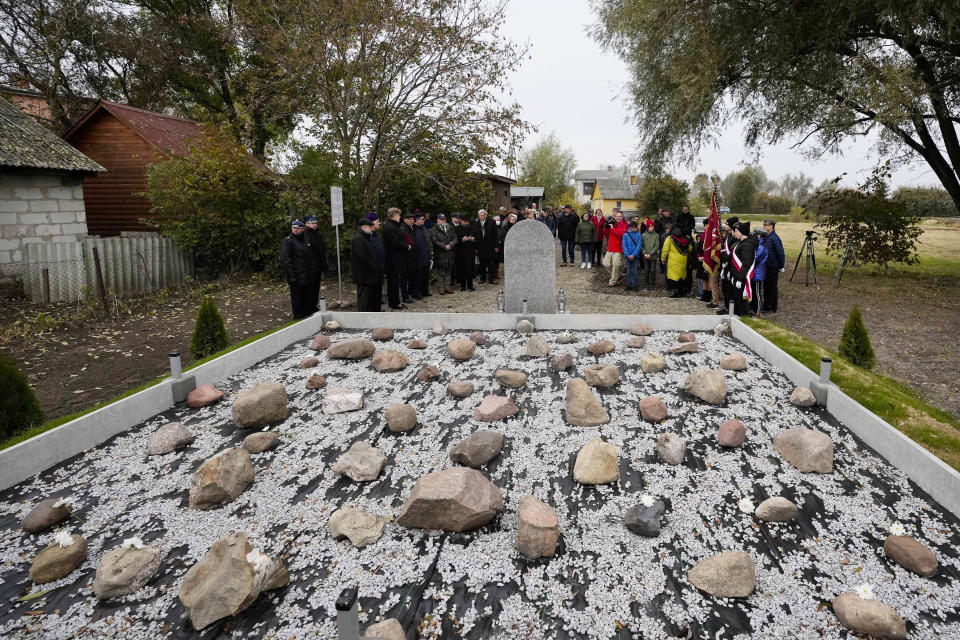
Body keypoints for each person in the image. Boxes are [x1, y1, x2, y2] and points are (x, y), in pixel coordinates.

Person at [279, 220, 319, 319]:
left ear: (302, 229)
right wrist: (291, 276)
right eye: (294, 228)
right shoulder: (288, 241)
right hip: (296, 275)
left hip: (307, 275)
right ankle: (298, 316)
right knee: (297, 298)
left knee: (307, 296)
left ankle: (307, 313)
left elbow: (310, 257)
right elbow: (286, 260)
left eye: (298, 228)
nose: (296, 230)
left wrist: (313, 272)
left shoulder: (306, 240)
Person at [351, 217, 384, 311]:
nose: (371, 229)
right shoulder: (358, 238)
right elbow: (362, 257)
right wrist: (374, 266)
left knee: (371, 296)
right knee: (364, 297)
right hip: (363, 274)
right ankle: (363, 316)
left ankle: (372, 313)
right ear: (364, 227)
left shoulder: (366, 237)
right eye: (370, 227)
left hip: (370, 274)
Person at [381, 207, 409, 309]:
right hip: (392, 260)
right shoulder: (389, 227)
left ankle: (396, 301)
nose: (400, 217)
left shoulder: (393, 226)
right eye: (398, 215)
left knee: (395, 282)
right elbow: (395, 242)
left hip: (396, 258)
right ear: (394, 215)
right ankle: (394, 303)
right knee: (393, 282)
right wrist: (406, 246)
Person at [727, 221, 756, 316]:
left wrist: (739, 278)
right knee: (736, 299)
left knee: (741, 301)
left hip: (741, 277)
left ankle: (743, 318)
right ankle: (737, 316)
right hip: (736, 275)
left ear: (742, 232)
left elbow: (746, 263)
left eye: (736, 231)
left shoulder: (747, 245)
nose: (734, 233)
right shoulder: (740, 242)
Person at [302, 216, 329, 313]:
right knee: (310, 289)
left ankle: (313, 306)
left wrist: (324, 265)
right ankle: (308, 308)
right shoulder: (305, 234)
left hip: (318, 266)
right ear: (307, 224)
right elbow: (308, 252)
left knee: (316, 288)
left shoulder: (318, 234)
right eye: (312, 223)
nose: (315, 224)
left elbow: (322, 250)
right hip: (310, 268)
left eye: (315, 223)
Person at [661, 225, 693, 298]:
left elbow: (665, 250)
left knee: (673, 276)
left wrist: (663, 259)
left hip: (673, 260)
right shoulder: (684, 239)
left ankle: (675, 292)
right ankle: (681, 291)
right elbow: (690, 248)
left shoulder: (669, 238)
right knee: (682, 275)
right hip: (683, 260)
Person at [430, 213, 457, 294]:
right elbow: (434, 240)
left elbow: (455, 238)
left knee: (448, 270)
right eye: (441, 219)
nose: (443, 220)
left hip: (450, 253)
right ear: (437, 220)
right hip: (440, 253)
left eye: (444, 219)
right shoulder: (434, 229)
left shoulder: (450, 228)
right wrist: (444, 246)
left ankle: (447, 287)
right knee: (439, 272)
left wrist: (451, 245)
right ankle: (441, 288)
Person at [762, 219, 785, 314]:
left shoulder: (774, 238)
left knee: (772, 287)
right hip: (766, 266)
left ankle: (772, 307)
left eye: (766, 225)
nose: (764, 226)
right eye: (763, 224)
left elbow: (780, 253)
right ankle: (766, 306)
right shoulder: (766, 237)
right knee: (766, 287)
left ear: (771, 226)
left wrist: (781, 265)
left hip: (773, 266)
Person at [473, 208, 498, 284]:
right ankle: (482, 278)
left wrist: (496, 246)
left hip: (490, 246)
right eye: (479, 216)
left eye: (481, 215)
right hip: (481, 246)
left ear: (485, 215)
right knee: (482, 264)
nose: (480, 217)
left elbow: (496, 235)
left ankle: (492, 279)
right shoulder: (476, 223)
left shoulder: (492, 222)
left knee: (491, 264)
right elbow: (475, 234)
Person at [603, 209, 628, 287]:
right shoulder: (612, 223)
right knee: (605, 263)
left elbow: (621, 234)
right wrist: (606, 226)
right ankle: (619, 276)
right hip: (610, 247)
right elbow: (605, 233)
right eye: (617, 216)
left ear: (622, 216)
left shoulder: (625, 224)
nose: (618, 218)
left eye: (620, 216)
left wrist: (612, 228)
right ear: (615, 216)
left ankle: (613, 281)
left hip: (619, 248)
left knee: (616, 265)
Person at [400, 211, 419, 302]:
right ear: (404, 220)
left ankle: (413, 293)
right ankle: (405, 296)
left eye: (413, 219)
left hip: (414, 256)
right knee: (404, 278)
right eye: (410, 219)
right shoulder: (403, 229)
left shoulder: (413, 228)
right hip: (406, 257)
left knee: (414, 276)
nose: (412, 221)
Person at [412, 213, 432, 297]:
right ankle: (417, 292)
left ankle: (425, 291)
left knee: (425, 275)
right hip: (418, 256)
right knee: (418, 276)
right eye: (422, 219)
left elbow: (428, 242)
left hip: (426, 255)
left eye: (424, 219)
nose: (424, 220)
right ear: (417, 220)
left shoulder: (424, 228)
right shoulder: (414, 229)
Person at [454, 214, 476, 290]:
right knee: (462, 268)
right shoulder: (456, 229)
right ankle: (462, 285)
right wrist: (461, 239)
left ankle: (470, 285)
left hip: (470, 252)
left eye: (467, 222)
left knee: (470, 268)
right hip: (461, 252)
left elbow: (478, 237)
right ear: (461, 222)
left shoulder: (473, 228)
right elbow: (454, 239)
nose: (465, 223)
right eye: (464, 222)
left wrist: (473, 239)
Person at [622, 219, 644, 291]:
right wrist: (628, 254)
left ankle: (635, 285)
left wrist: (634, 255)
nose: (635, 229)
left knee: (634, 271)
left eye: (636, 228)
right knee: (628, 270)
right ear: (630, 227)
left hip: (635, 256)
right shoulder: (625, 235)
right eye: (634, 228)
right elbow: (624, 246)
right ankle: (628, 284)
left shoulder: (638, 235)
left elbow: (639, 246)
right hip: (628, 256)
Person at [750, 228, 768, 315]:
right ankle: (753, 309)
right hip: (754, 272)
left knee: (757, 292)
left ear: (759, 235)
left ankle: (757, 311)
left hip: (758, 273)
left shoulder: (761, 247)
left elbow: (755, 259)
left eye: (754, 234)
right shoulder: (758, 245)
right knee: (753, 292)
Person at [641, 220, 660, 290]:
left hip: (653, 256)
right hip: (645, 256)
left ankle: (653, 285)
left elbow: (656, 245)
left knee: (652, 270)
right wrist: (645, 253)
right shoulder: (643, 235)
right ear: (647, 227)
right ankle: (647, 285)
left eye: (652, 227)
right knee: (646, 270)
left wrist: (650, 253)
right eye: (650, 227)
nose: (652, 228)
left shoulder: (656, 235)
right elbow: (642, 246)